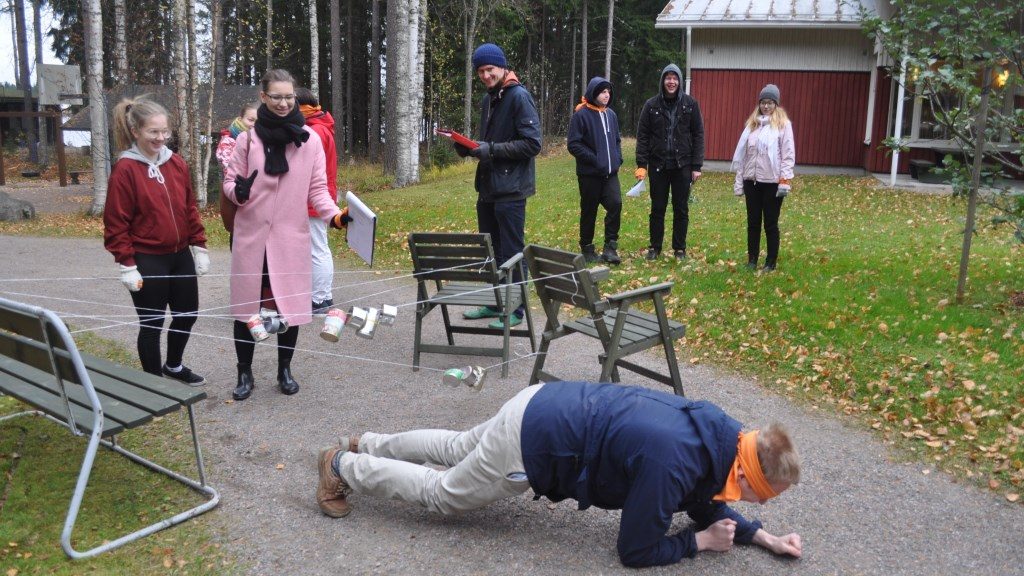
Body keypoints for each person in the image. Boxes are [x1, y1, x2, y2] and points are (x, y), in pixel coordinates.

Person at [315, 380, 802, 568]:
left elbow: (702, 495)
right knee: (445, 493)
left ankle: (366, 442)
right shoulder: (674, 462)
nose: (749, 503)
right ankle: (342, 466)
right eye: (755, 496)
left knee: (455, 445)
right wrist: (699, 543)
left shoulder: (720, 435)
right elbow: (635, 549)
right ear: (745, 469)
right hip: (533, 445)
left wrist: (763, 538)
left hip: (540, 403)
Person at [223, 69, 348, 401]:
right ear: (264, 97)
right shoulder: (247, 140)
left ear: (295, 97)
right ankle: (244, 373)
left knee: (289, 308)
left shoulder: (309, 142)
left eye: (288, 97)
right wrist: (239, 192)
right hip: (251, 239)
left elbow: (319, 191)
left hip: (290, 240)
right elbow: (229, 183)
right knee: (246, 309)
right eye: (276, 97)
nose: (283, 103)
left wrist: (335, 216)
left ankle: (284, 370)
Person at [103, 96, 209, 385]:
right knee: (152, 325)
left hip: (180, 254)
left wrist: (198, 245)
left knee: (187, 315)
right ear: (136, 131)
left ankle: (173, 366)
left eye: (165, 132)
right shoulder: (125, 170)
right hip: (147, 257)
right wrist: (127, 264)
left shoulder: (176, 164)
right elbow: (116, 222)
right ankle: (153, 386)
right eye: (153, 132)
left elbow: (189, 208)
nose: (161, 138)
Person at [455, 42, 542, 329]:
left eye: (489, 69)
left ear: (502, 67)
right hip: (488, 187)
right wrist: (468, 148)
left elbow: (532, 144)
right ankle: (495, 302)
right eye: (480, 71)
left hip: (512, 189)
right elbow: (488, 143)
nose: (485, 75)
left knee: (512, 251)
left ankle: (515, 309)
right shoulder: (489, 99)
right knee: (490, 251)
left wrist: (489, 150)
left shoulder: (519, 97)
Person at [635, 63, 705, 261]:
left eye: (675, 78)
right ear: (663, 81)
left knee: (681, 208)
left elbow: (698, 135)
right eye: (668, 78)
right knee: (658, 208)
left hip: (682, 165)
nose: (671, 82)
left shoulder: (690, 105)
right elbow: (643, 136)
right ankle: (654, 247)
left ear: (680, 82)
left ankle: (679, 249)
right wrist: (642, 164)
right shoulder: (651, 106)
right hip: (658, 165)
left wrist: (696, 166)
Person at [731, 84, 795, 272]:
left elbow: (788, 154)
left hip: (772, 183)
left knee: (770, 223)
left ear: (776, 104)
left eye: (770, 103)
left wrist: (784, 180)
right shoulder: (752, 125)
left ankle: (771, 261)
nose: (766, 106)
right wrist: (739, 180)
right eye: (763, 103)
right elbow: (744, 156)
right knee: (753, 222)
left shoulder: (783, 126)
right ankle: (752, 259)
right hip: (752, 181)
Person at [567, 76, 623, 265]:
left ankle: (610, 247)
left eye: (608, 92)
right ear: (593, 93)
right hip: (589, 175)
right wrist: (595, 159)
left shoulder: (611, 115)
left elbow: (616, 140)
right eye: (602, 91)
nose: (606, 95)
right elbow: (573, 144)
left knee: (615, 204)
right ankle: (587, 247)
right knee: (589, 210)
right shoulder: (581, 115)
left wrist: (617, 158)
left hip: (610, 174)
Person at [295, 87, 339, 314]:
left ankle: (320, 298)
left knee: (318, 249)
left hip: (314, 199)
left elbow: (309, 171)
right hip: (317, 197)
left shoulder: (314, 132)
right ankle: (321, 295)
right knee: (316, 248)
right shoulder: (317, 127)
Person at [215, 102, 258, 237]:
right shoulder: (228, 142)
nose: (253, 124)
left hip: (254, 199)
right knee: (239, 235)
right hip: (236, 196)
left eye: (257, 121)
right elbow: (230, 172)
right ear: (240, 119)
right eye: (250, 120)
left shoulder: (258, 140)